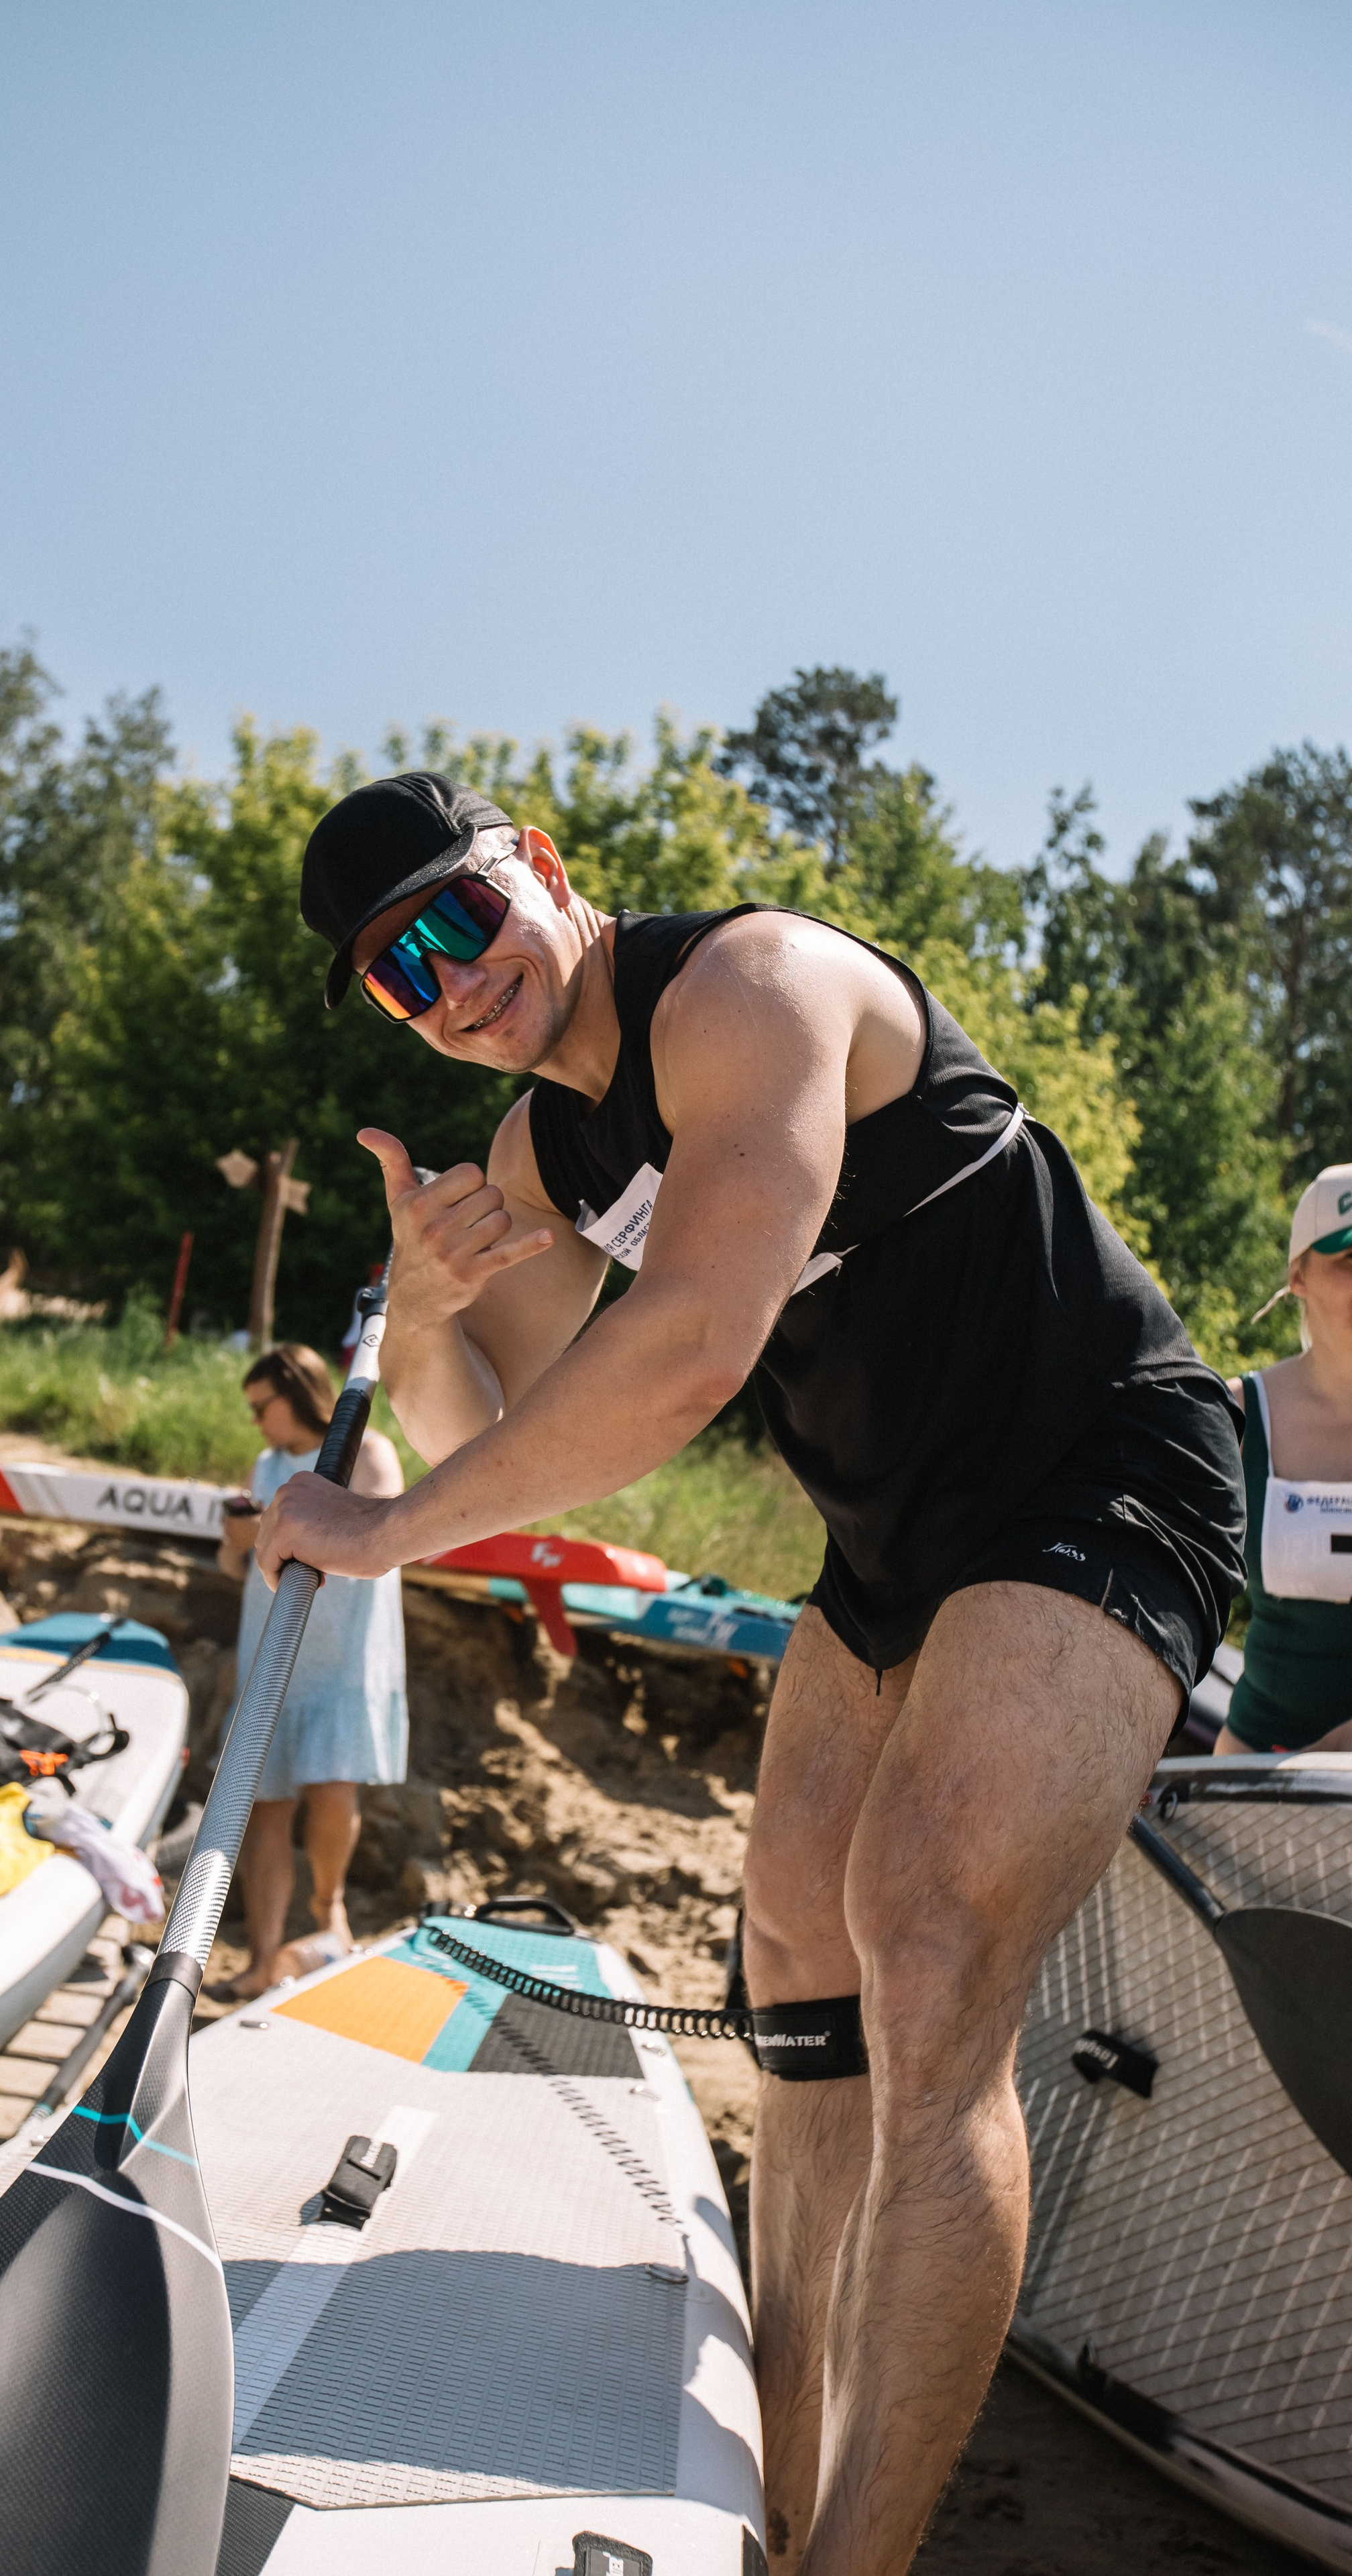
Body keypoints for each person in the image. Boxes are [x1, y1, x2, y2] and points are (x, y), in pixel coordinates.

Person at [251, 771, 1244, 2576]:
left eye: (462, 921)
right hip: (894, 1549)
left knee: (924, 1943)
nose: (450, 987)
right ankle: (776, 2505)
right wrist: (422, 1308)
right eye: (401, 979)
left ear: (545, 869)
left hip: (1103, 1467)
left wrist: (382, 1531)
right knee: (793, 1976)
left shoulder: (752, 991)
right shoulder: (550, 1156)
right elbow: (532, 1437)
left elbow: (692, 1355)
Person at [215, 1341, 407, 1998]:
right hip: (270, 1648)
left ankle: (331, 1914)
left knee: (330, 1790)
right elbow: (232, 1564)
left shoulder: (369, 1452)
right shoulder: (266, 1464)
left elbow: (383, 1525)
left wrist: (275, 1523)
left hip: (342, 1656)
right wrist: (240, 1543)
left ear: (295, 1392)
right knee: (262, 1805)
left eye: (259, 1406)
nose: (255, 1421)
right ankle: (262, 1960)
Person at [1215, 1164, 1352, 1754]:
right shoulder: (1236, 1413)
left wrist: (1323, 1764)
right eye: (1349, 1262)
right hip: (1258, 1772)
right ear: (1298, 1276)